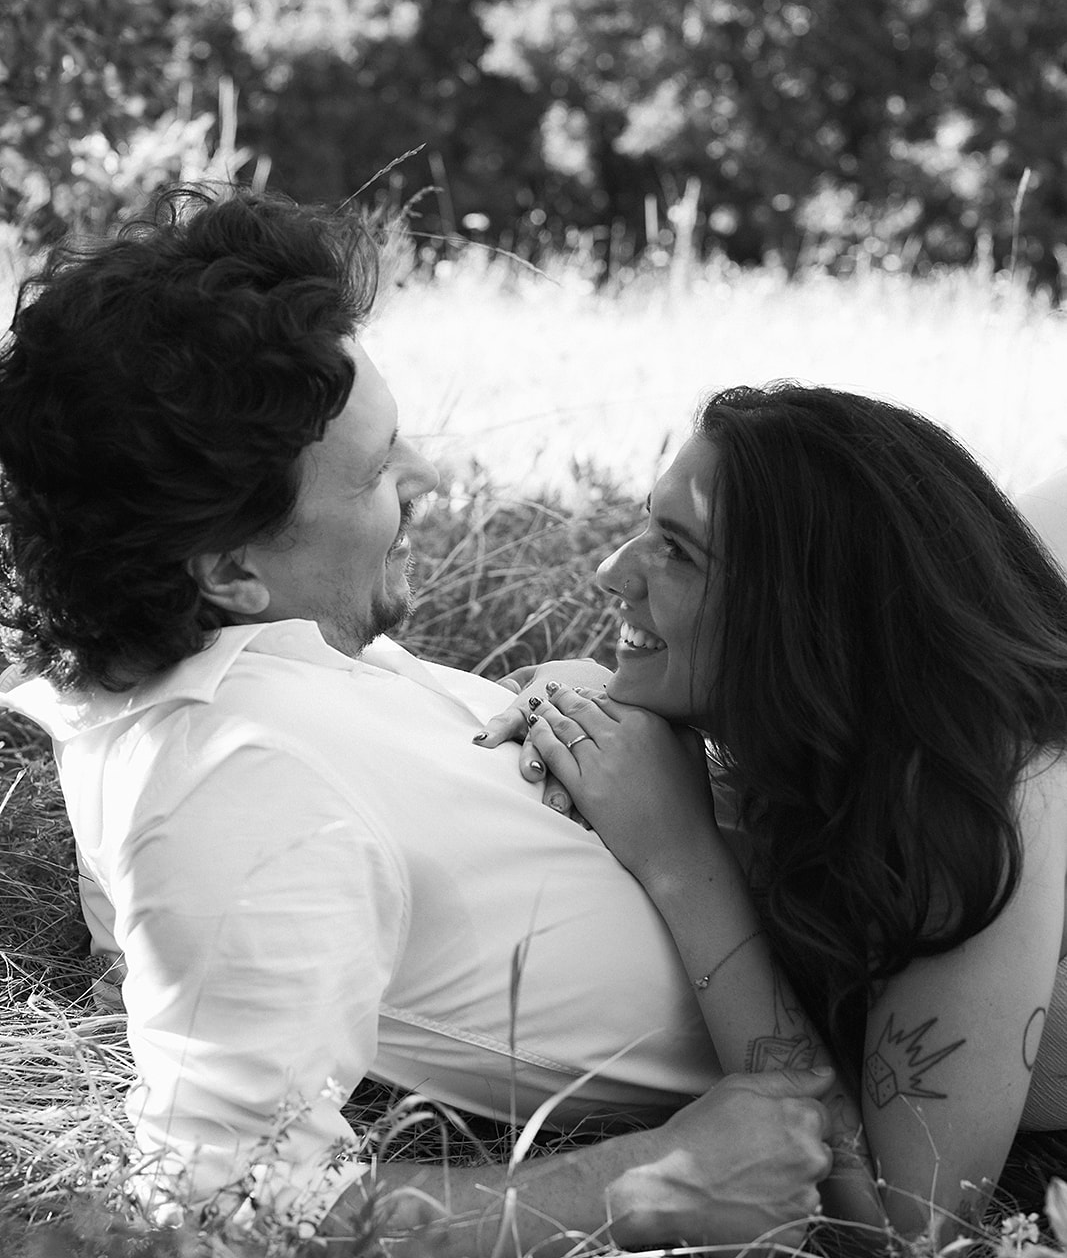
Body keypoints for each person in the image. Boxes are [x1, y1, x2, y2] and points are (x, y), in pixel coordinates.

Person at [0, 186, 834, 1254]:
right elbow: (218, 1209)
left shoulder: (241, 658)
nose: (424, 485)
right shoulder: (228, 782)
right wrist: (642, 1184)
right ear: (230, 567)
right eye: (380, 471)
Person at [481, 384, 1067, 1243]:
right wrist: (588, 704)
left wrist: (683, 861)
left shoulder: (990, 789)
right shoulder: (834, 729)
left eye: (677, 552)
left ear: (808, 617)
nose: (613, 572)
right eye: (647, 526)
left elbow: (903, 1228)